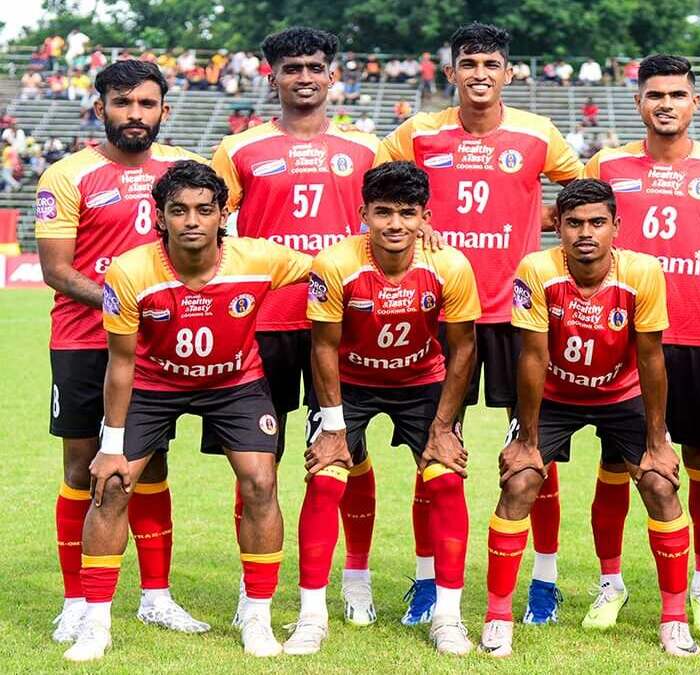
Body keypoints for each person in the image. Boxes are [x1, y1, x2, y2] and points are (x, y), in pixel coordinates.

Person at [376, 22, 583, 626]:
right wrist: (419, 222)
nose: (480, 74)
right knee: (435, 450)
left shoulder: (538, 134)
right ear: (451, 72)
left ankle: (544, 582)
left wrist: (538, 215)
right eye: (468, 63)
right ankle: (426, 583)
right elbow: (377, 185)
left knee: (535, 452)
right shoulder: (420, 132)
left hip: (520, 314)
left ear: (509, 73)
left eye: (491, 64)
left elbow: (583, 194)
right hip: (443, 312)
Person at [64, 160, 313, 662]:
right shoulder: (130, 270)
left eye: (205, 209)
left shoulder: (259, 258)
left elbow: (333, 265)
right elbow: (120, 362)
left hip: (234, 383)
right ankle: (94, 624)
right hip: (154, 385)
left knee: (261, 482)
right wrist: (111, 447)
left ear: (223, 215)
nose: (192, 220)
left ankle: (257, 618)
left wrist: (415, 241)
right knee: (112, 485)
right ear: (160, 217)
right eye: (179, 210)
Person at [582, 54, 700, 637]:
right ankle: (610, 581)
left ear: (695, 102)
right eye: (654, 94)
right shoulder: (606, 163)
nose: (665, 104)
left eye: (676, 94)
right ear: (638, 102)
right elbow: (572, 222)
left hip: (697, 337)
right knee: (617, 462)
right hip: (623, 336)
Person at [211, 26, 387, 627]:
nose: (304, 77)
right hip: (265, 324)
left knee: (348, 453)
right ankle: (252, 589)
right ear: (273, 77)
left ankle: (356, 579)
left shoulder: (366, 149)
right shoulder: (239, 149)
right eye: (292, 68)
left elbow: (398, 221)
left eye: (315, 67)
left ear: (333, 75)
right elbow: (209, 228)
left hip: (344, 323)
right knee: (257, 460)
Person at [478, 179, 697, 658]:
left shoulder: (643, 271)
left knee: (660, 484)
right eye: (574, 223)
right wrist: (526, 440)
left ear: (616, 226)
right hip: (555, 395)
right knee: (519, 482)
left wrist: (658, 441)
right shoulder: (537, 269)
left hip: (621, 393)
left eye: (597, 222)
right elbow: (532, 356)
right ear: (557, 226)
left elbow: (651, 358)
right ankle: (498, 617)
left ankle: (675, 619)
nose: (585, 233)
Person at [35, 60, 209, 646]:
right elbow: (57, 270)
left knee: (150, 467)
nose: (135, 114)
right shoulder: (67, 175)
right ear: (100, 107)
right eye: (122, 102)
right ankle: (76, 602)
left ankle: (156, 597)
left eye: (146, 104)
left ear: (164, 110)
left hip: (156, 347)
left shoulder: (183, 172)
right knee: (82, 467)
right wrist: (124, 302)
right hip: (84, 343)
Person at [287, 161, 481, 656]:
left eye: (407, 213)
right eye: (383, 212)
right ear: (364, 214)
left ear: (425, 218)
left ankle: (448, 617)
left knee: (446, 480)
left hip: (421, 383)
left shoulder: (450, 265)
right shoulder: (335, 264)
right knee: (326, 478)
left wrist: (444, 426)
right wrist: (333, 428)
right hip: (349, 385)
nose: (395, 224)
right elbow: (323, 347)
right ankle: (312, 616)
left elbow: (463, 348)